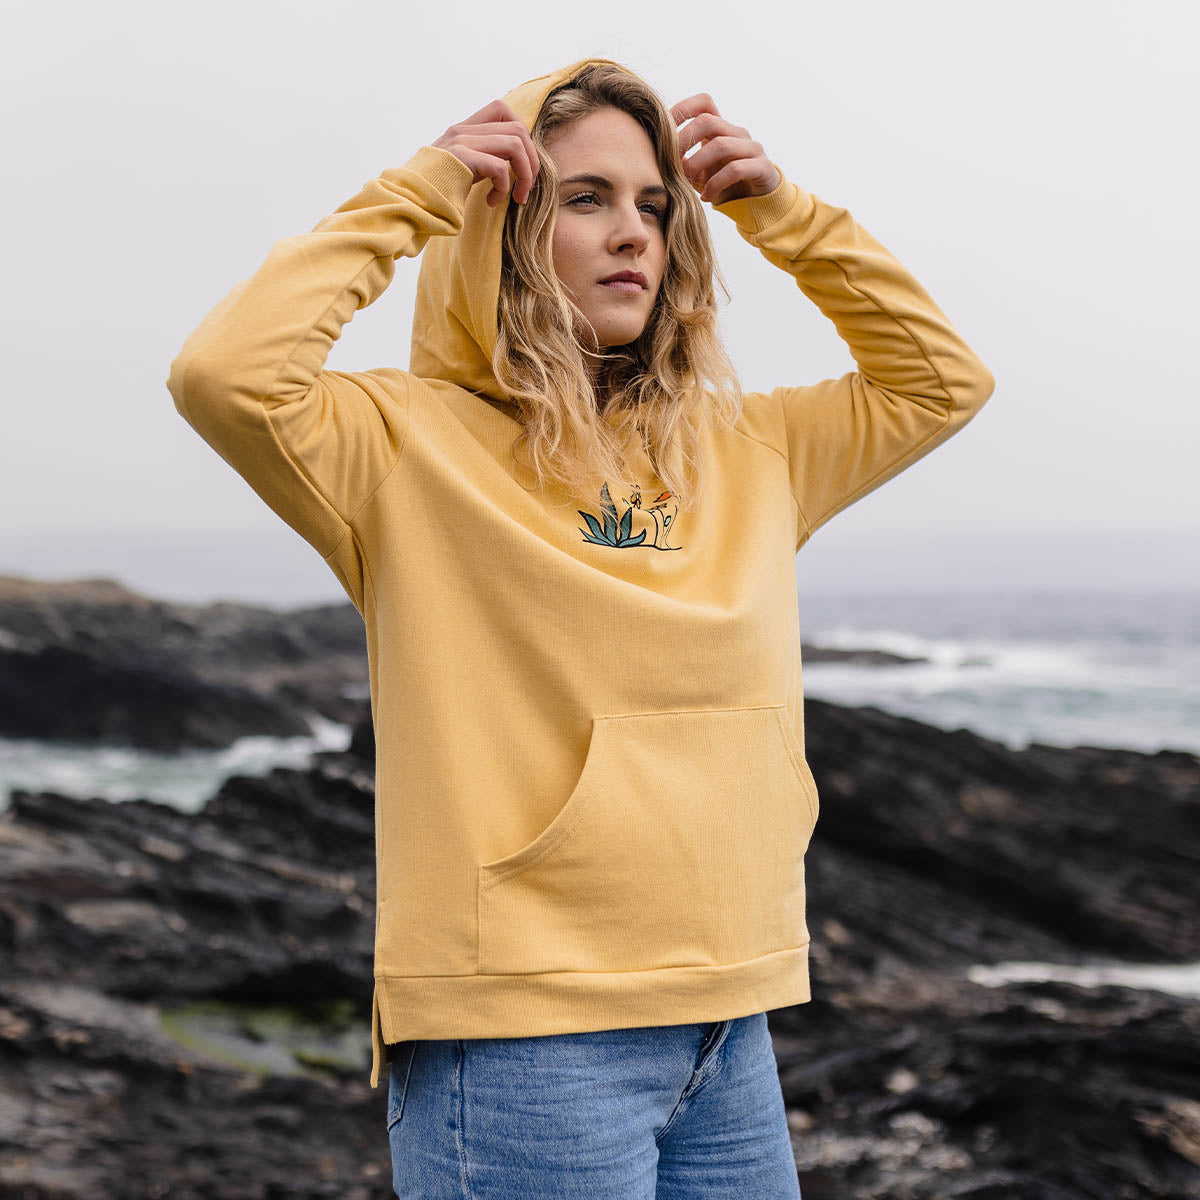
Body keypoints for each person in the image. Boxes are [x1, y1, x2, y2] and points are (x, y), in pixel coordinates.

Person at [167, 55, 994, 1200]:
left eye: (655, 205)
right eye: (585, 198)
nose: (633, 232)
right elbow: (224, 376)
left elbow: (941, 382)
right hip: (521, 1034)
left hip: (729, 1020)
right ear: (501, 227)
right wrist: (419, 190)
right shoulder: (398, 449)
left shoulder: (748, 448)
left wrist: (785, 216)